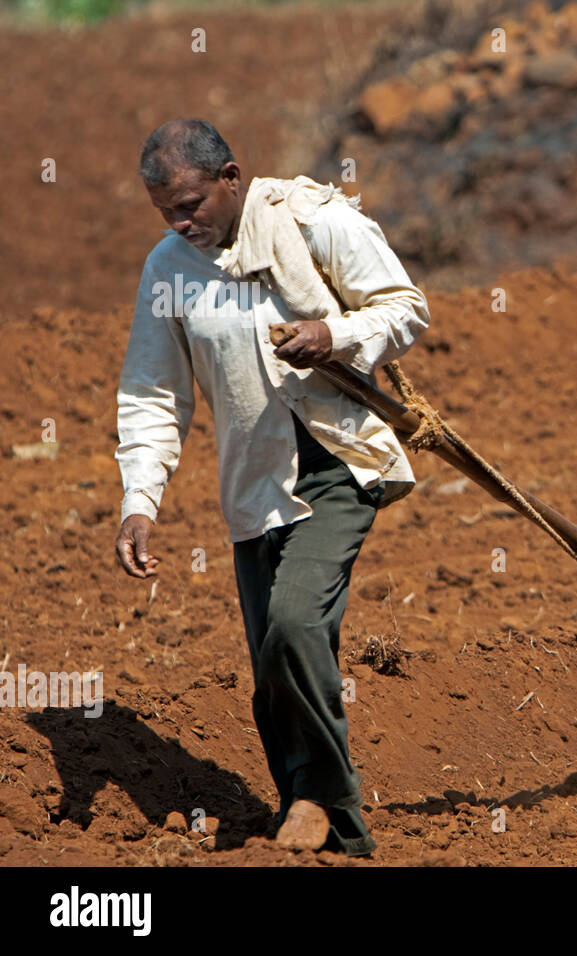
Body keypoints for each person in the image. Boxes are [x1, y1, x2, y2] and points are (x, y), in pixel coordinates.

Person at [114, 118, 429, 851]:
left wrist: (335, 336)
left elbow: (404, 307)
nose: (181, 222)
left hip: (335, 460)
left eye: (192, 204)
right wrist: (139, 499)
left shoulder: (313, 221)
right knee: (270, 669)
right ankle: (307, 816)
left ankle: (326, 804)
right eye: (166, 211)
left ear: (231, 177)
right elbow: (155, 392)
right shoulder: (168, 270)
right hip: (253, 481)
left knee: (294, 623)